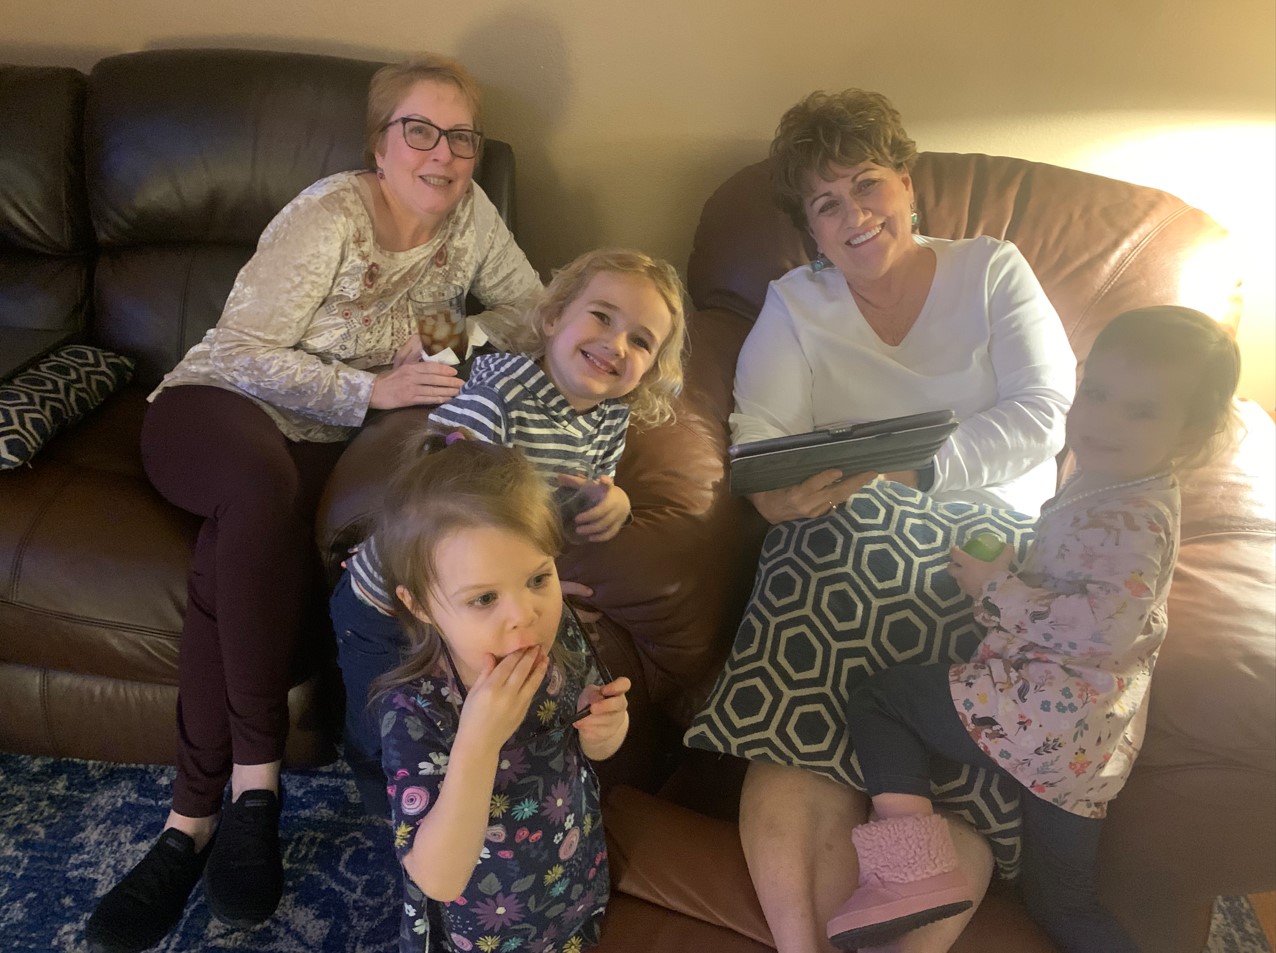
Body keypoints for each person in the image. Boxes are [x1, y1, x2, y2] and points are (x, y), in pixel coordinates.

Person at [86, 54, 542, 953]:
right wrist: (370, 390)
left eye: (461, 137)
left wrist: (454, 333)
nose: (444, 154)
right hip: (215, 405)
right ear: (380, 142)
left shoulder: (471, 219)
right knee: (259, 487)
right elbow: (240, 347)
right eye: (420, 130)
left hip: (312, 445)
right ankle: (256, 790)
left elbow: (535, 310)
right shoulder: (330, 213)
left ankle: (187, 827)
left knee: (234, 557)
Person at [728, 89, 1077, 953]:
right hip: (842, 534)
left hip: (988, 534)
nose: (854, 215)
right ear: (809, 228)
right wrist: (775, 498)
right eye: (826, 202)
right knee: (803, 717)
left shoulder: (991, 270)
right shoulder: (794, 304)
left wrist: (912, 472)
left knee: (945, 718)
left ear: (907, 186)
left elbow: (1044, 411)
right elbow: (759, 441)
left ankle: (918, 850)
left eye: (867, 184)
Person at [829, 307, 1240, 953]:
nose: (1104, 420)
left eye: (1140, 411)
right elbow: (1087, 579)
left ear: (1189, 434)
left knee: (883, 699)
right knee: (1060, 904)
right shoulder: (1126, 479)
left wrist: (997, 589)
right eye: (1097, 392)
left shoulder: (1133, 521)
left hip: (1041, 712)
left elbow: (1104, 627)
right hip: (1085, 753)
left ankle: (910, 872)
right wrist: (1016, 567)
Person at [332, 247, 686, 816]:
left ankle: (451, 805)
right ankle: (386, 813)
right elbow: (438, 501)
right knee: (384, 724)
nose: (617, 344)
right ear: (553, 318)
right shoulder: (499, 396)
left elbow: (554, 513)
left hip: (476, 601)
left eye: (641, 340)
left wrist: (610, 503)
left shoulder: (609, 420)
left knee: (449, 720)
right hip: (393, 599)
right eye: (602, 316)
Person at [374, 435, 631, 953]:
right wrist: (478, 742)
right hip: (487, 922)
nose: (525, 615)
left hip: (572, 874)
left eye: (538, 579)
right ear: (420, 605)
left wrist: (606, 727)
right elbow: (437, 879)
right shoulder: (415, 711)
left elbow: (593, 748)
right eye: (484, 598)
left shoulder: (560, 637)